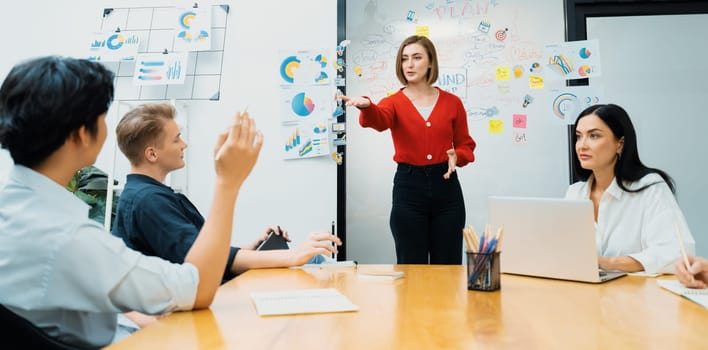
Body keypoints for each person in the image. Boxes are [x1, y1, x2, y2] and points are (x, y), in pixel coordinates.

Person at [0, 56, 263, 347]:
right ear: (80, 135)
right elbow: (197, 288)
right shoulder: (69, 239)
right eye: (102, 118)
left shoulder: (16, 216)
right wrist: (228, 183)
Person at [113, 103, 339, 283]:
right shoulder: (148, 201)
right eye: (176, 139)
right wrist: (293, 255)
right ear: (152, 154)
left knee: (316, 261)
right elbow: (203, 262)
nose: (184, 144)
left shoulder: (150, 195)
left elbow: (203, 251)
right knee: (315, 262)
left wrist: (253, 247)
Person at [341, 35, 476, 264]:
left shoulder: (452, 102)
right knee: (412, 267)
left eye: (416, 57)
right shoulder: (393, 102)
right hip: (409, 189)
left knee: (448, 267)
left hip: (447, 190)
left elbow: (466, 145)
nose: (409, 65)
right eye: (404, 59)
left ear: (430, 62)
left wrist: (458, 156)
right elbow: (380, 120)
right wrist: (367, 106)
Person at [566, 103, 694, 274]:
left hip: (638, 296)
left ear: (620, 143)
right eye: (578, 136)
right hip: (584, 293)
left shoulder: (650, 188)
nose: (582, 145)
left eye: (594, 136)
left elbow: (675, 254)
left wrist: (607, 263)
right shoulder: (575, 193)